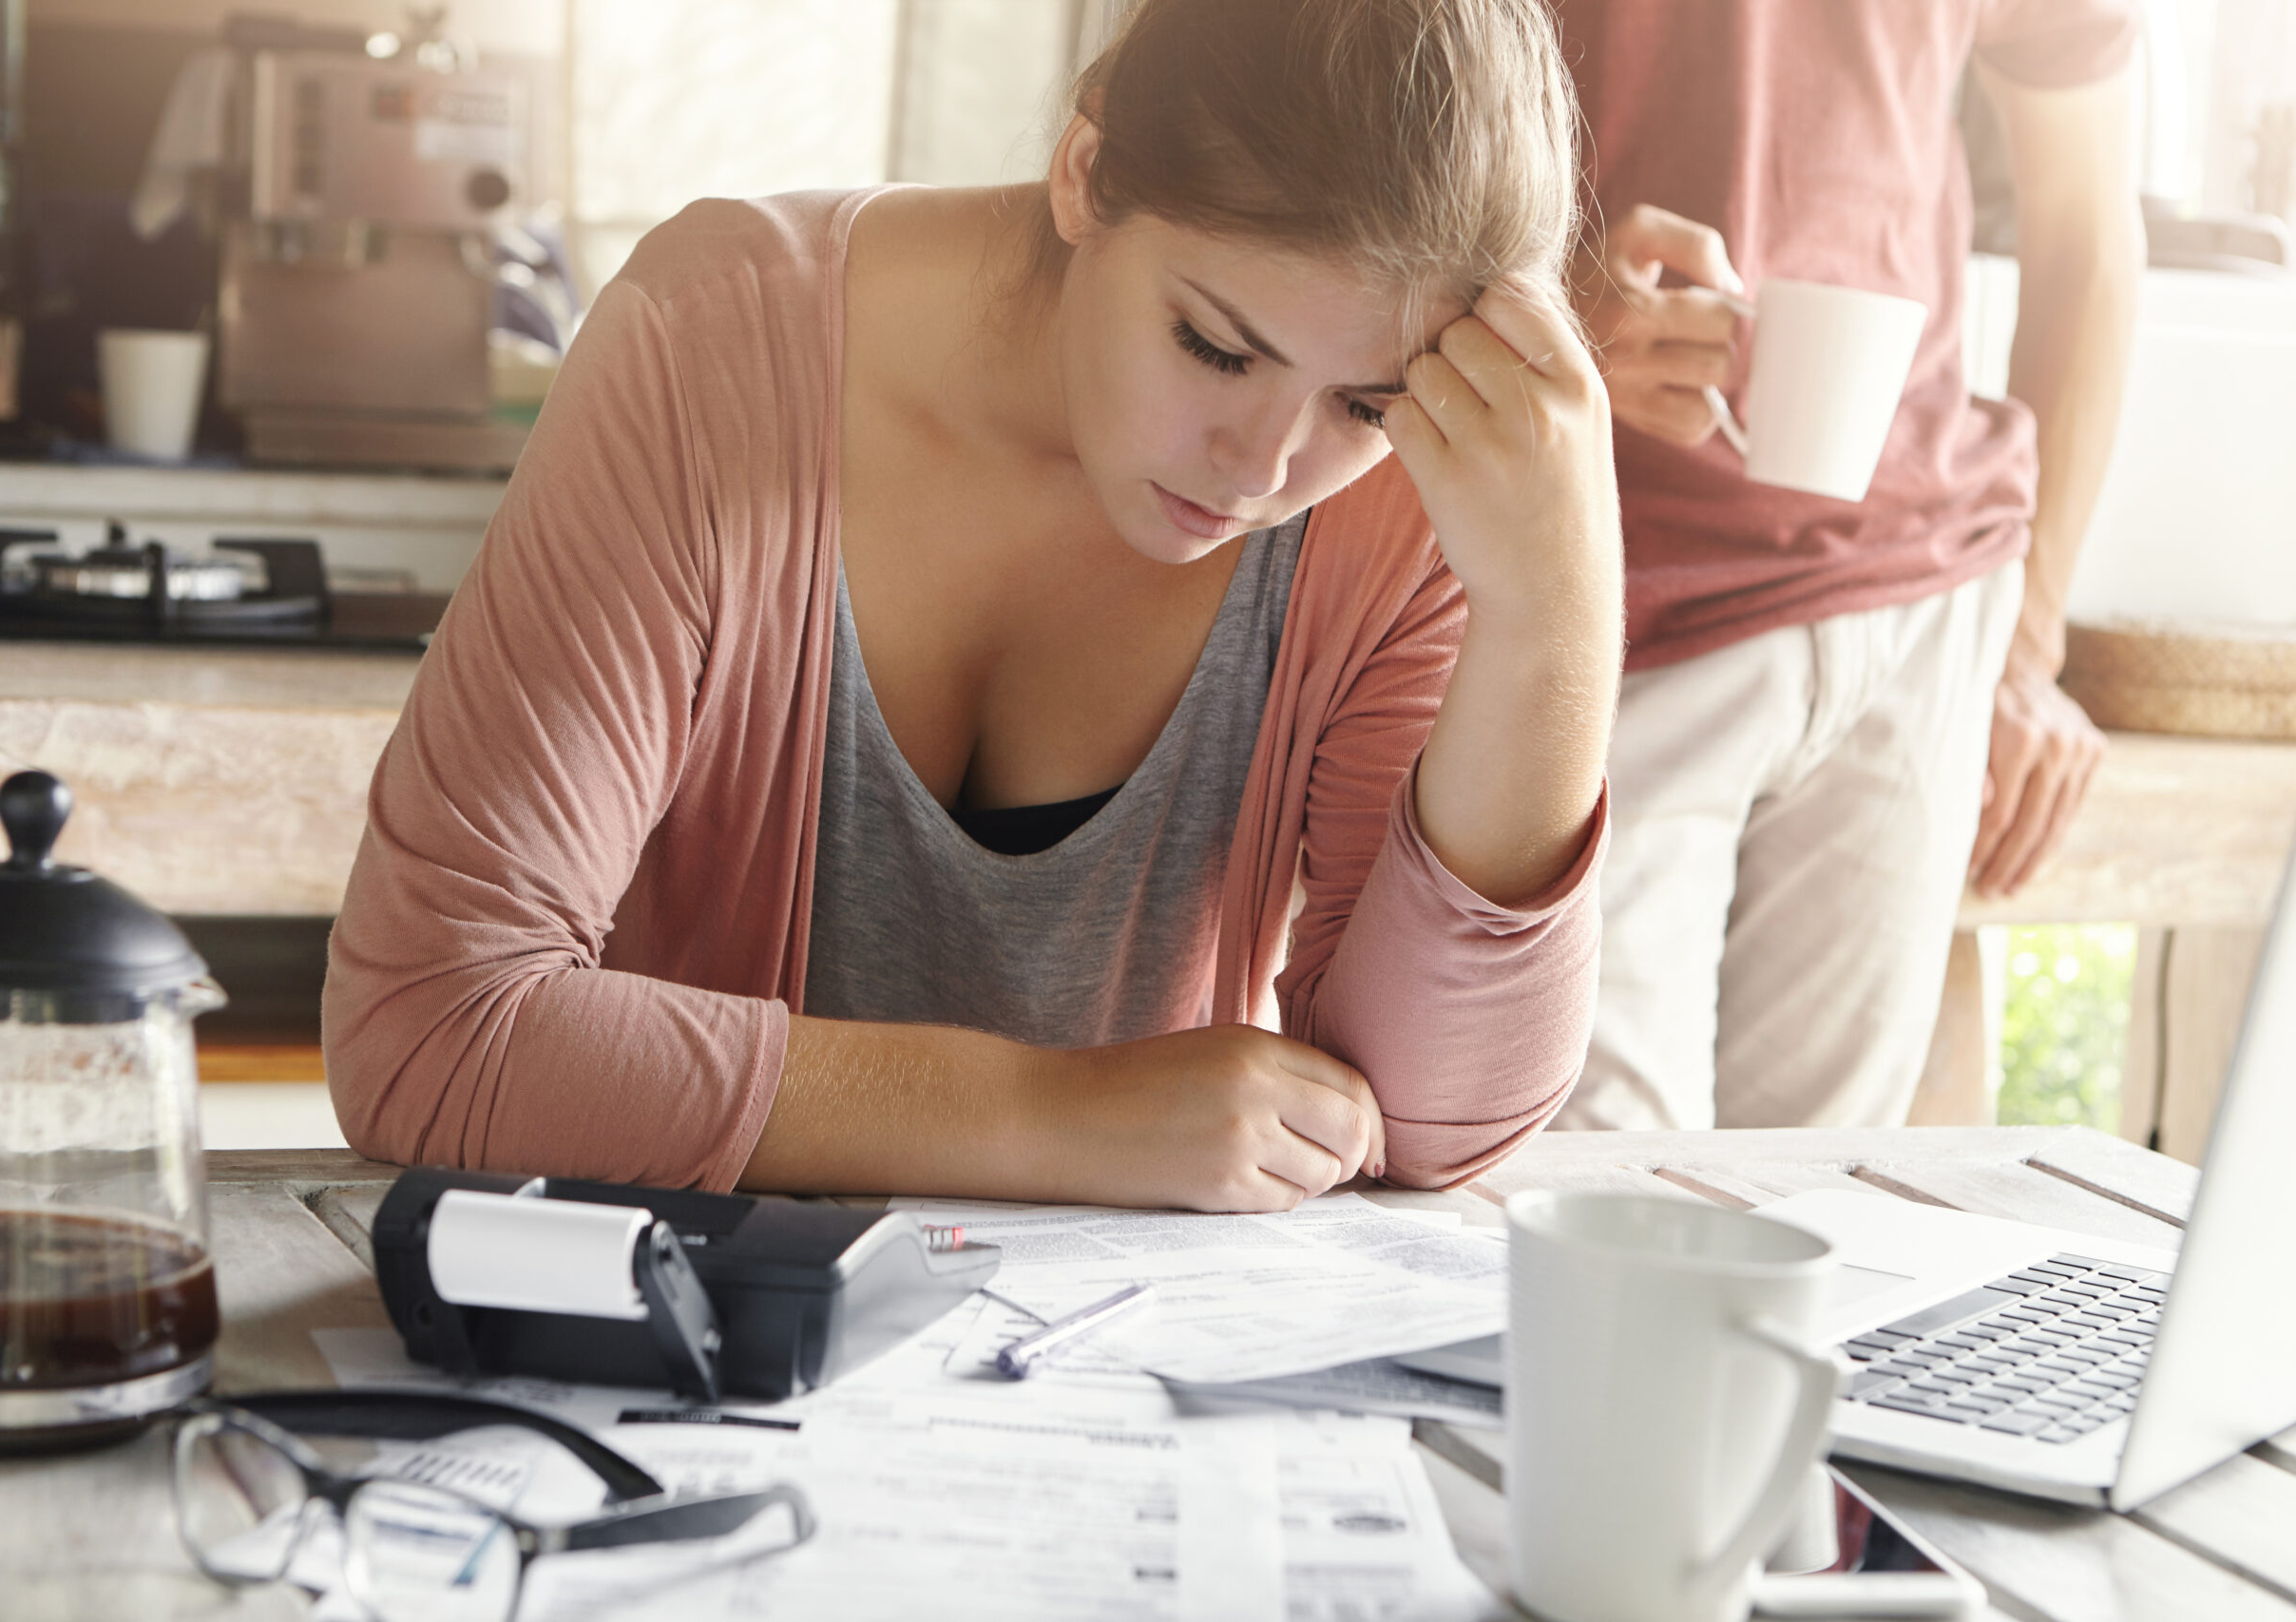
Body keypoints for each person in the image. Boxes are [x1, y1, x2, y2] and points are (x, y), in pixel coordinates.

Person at [321, 0, 1621, 1209]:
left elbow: (1434, 1126)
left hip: (1119, 1387)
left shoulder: (1409, 487)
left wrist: (1557, 617)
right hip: (682, 1365)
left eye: (1364, 403)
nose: (1267, 467)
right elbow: (432, 1026)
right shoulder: (714, 345)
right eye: (1216, 347)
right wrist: (1053, 1115)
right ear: (1083, 174)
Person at [1549, 0, 2145, 1131]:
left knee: (1818, 1232)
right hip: (1598, 605)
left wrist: (2026, 650)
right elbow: (1345, 159)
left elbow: (2090, 238)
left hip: (1915, 606)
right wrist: (1542, 308)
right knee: (1583, 1203)